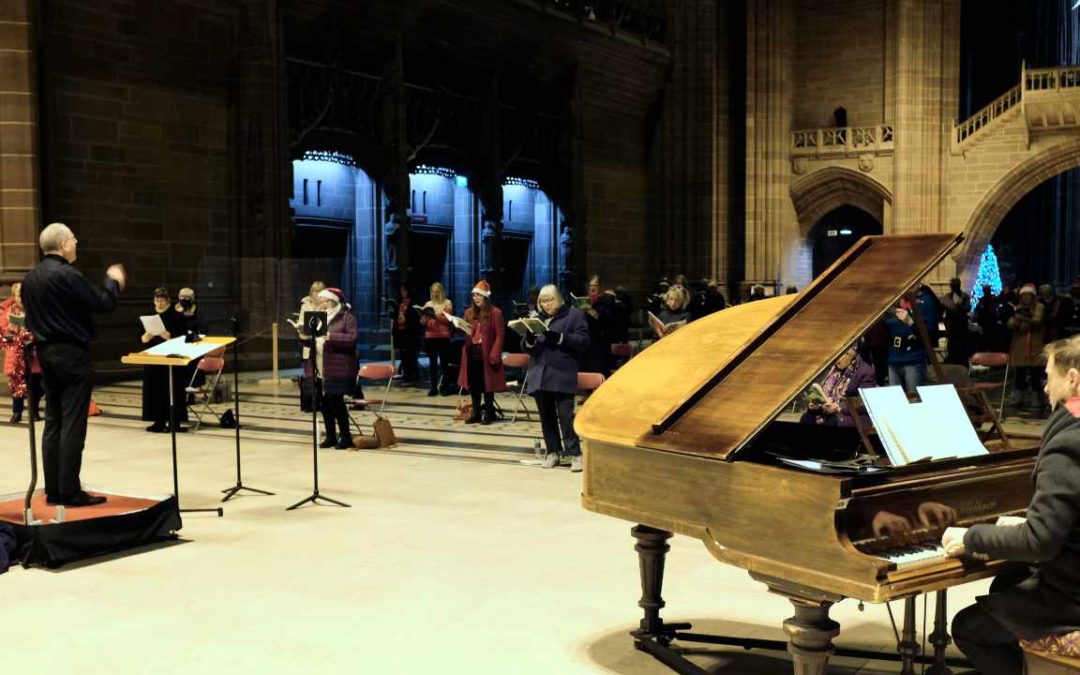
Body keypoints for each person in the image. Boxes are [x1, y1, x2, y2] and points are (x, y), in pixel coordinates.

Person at [946, 334, 1080, 675]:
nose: (1046, 389)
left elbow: (1039, 542)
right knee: (1004, 585)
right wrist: (1021, 527)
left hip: (1072, 601)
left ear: (1073, 378)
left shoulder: (1068, 442)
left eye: (1049, 378)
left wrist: (971, 536)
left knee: (968, 627)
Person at [21, 222, 125, 507]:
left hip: (44, 354)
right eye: (74, 239)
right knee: (73, 422)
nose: (77, 243)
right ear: (64, 244)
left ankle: (53, 489)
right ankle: (69, 491)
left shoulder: (31, 278)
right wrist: (113, 281)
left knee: (53, 421)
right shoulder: (67, 275)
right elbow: (103, 303)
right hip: (71, 354)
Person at [523, 285, 590, 472]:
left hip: (561, 373)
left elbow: (584, 341)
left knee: (566, 417)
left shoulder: (574, 315)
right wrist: (529, 339)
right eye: (543, 301)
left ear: (559, 299)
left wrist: (561, 338)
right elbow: (529, 348)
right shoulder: (536, 318)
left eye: (550, 300)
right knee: (546, 416)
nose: (546, 304)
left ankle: (575, 454)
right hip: (539, 373)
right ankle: (553, 452)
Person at [299, 288, 358, 449]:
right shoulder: (319, 318)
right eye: (321, 301)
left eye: (325, 301)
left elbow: (352, 338)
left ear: (333, 301)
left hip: (337, 366)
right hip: (319, 365)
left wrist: (331, 337)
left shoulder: (346, 317)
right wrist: (304, 336)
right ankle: (331, 436)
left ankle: (345, 437)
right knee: (324, 404)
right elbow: (312, 340)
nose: (322, 304)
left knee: (336, 402)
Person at [457, 280, 507, 425]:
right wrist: (458, 325)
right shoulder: (469, 312)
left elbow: (500, 334)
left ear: (485, 297)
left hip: (487, 354)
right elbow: (467, 331)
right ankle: (477, 412)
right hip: (472, 352)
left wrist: (495, 352)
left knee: (487, 385)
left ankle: (489, 412)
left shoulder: (495, 313)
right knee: (474, 384)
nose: (476, 298)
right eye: (474, 296)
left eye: (479, 295)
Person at [139, 287, 188, 433]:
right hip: (154, 359)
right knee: (154, 389)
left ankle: (175, 422)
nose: (159, 303)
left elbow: (184, 337)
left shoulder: (176, 316)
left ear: (167, 301)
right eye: (156, 300)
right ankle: (158, 421)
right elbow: (140, 337)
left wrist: (170, 337)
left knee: (171, 390)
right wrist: (144, 338)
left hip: (170, 359)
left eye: (162, 300)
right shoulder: (150, 316)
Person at [800, 343, 876, 427]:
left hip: (852, 415)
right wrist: (815, 404)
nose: (837, 360)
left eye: (842, 355)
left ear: (851, 355)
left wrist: (838, 407)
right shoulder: (833, 369)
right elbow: (822, 393)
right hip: (827, 411)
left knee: (831, 422)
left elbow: (865, 402)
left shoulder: (865, 371)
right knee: (806, 418)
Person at [0, 282, 42, 423]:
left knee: (36, 384)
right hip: (16, 353)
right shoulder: (7, 312)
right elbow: (3, 333)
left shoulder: (35, 311)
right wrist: (10, 331)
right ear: (14, 296)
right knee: (17, 384)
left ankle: (34, 410)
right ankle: (17, 412)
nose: (22, 299)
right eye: (19, 295)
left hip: (33, 353)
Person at [884, 289, 936, 394]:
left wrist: (911, 322)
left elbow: (930, 332)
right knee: (895, 400)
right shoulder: (895, 300)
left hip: (913, 358)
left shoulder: (926, 301)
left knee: (914, 400)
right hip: (894, 358)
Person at [1008, 284, 1045, 410]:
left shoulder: (1039, 307)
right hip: (1020, 343)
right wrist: (1014, 321)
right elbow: (1012, 323)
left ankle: (1037, 398)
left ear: (1033, 296)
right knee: (1020, 371)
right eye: (1024, 296)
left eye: (1028, 296)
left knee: (1035, 372)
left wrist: (1022, 318)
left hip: (1035, 342)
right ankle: (1018, 397)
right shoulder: (1018, 308)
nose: (1026, 298)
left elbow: (1038, 321)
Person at [421, 282, 454, 396]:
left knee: (444, 363)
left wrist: (435, 316)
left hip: (443, 336)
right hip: (431, 337)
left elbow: (448, 320)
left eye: (438, 292)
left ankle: (445, 386)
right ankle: (433, 387)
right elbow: (423, 321)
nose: (435, 294)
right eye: (433, 292)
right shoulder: (428, 304)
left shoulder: (447, 303)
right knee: (433, 364)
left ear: (442, 292)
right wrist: (423, 319)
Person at [392, 284, 421, 383]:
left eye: (404, 290)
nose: (402, 292)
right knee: (403, 355)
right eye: (401, 291)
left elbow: (414, 317)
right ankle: (406, 374)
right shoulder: (400, 303)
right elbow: (397, 315)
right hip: (401, 332)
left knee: (411, 355)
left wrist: (406, 318)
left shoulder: (412, 302)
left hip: (410, 333)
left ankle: (413, 375)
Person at [941, 277, 972, 366]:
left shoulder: (964, 296)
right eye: (952, 286)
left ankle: (963, 366)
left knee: (962, 350)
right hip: (951, 327)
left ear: (959, 286)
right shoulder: (947, 297)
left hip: (961, 327)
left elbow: (967, 308)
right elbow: (943, 311)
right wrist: (945, 323)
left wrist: (959, 305)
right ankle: (951, 364)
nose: (953, 288)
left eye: (955, 286)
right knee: (951, 349)